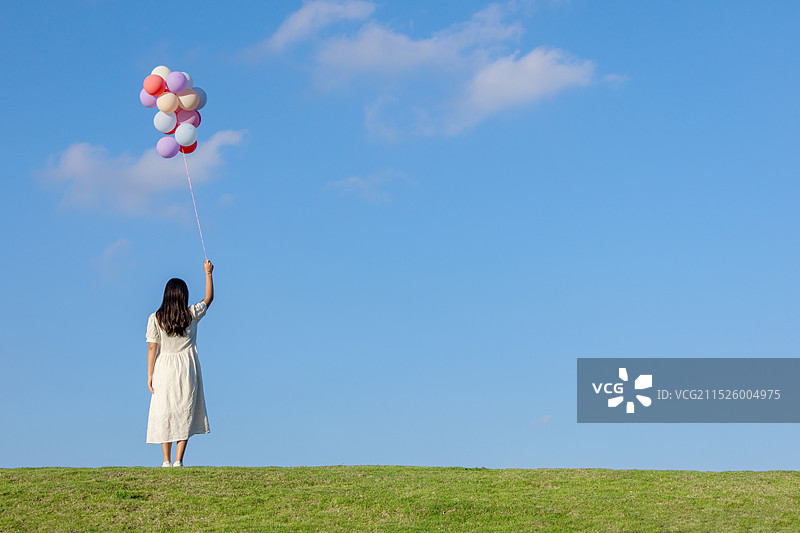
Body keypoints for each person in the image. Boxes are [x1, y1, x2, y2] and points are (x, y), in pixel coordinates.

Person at [145, 260, 214, 467]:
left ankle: (165, 460)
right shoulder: (191, 314)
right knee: (185, 409)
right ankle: (178, 460)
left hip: (164, 367)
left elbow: (152, 348)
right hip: (187, 367)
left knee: (164, 410)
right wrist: (208, 273)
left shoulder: (156, 318)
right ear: (183, 295)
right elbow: (209, 298)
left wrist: (149, 375)